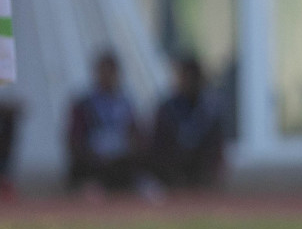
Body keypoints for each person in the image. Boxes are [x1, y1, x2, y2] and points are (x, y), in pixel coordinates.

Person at [66, 50, 148, 194]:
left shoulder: (125, 102)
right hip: (94, 157)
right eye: (104, 72)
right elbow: (74, 137)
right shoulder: (84, 104)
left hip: (121, 157)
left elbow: (135, 131)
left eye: (111, 72)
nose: (107, 76)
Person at [149, 55, 226, 190]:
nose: (185, 81)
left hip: (200, 165)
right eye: (182, 77)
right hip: (173, 165)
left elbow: (216, 144)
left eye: (190, 77)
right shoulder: (168, 108)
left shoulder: (209, 108)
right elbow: (158, 143)